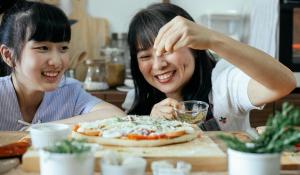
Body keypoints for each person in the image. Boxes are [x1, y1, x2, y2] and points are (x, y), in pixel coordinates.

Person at [126, 3, 296, 135]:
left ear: (194, 48)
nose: (158, 65)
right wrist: (149, 124)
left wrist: (213, 39)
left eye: (167, 49)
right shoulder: (138, 97)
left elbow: (284, 83)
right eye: (145, 56)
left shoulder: (223, 83)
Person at [0, 0, 125, 131]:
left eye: (63, 48)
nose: (57, 61)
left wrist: (45, 128)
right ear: (8, 55)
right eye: (43, 48)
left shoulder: (69, 91)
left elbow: (116, 117)